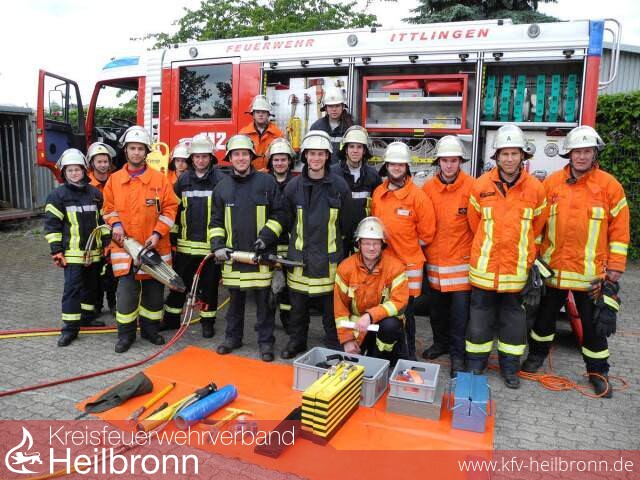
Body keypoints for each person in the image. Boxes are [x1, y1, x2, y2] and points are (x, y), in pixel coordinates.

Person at [522, 126, 629, 397]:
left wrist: (615, 268)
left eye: (587, 151)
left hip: (590, 275)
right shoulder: (551, 184)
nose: (581, 156)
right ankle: (536, 357)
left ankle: (598, 373)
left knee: (593, 328)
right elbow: (537, 226)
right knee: (543, 322)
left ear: (595, 154)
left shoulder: (610, 186)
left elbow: (619, 231)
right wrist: (534, 259)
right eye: (577, 152)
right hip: (553, 271)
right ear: (569, 154)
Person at [465, 124, 548, 389]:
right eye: (504, 153)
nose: (509, 159)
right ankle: (476, 365)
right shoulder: (480, 185)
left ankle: (510, 368)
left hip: (516, 272)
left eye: (514, 153)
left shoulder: (535, 189)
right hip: (484, 270)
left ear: (522, 155)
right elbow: (474, 224)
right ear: (496, 156)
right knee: (479, 323)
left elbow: (537, 228)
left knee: (514, 325)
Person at [209, 134, 285, 362]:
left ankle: (266, 342)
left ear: (251, 157)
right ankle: (233, 338)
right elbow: (215, 222)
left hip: (261, 256)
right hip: (233, 257)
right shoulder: (221, 188)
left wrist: (266, 237)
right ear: (230, 158)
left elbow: (280, 214)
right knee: (234, 303)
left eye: (244, 154)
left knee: (265, 303)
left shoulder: (267, 183)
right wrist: (218, 246)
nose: (241, 158)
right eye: (236, 154)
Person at [102, 126, 179, 353]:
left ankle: (150, 331)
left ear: (146, 152)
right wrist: (115, 224)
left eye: (140, 149)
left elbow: (171, 209)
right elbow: (107, 208)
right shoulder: (114, 180)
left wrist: (157, 233)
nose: (136, 152)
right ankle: (125, 336)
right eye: (132, 148)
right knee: (126, 297)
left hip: (155, 248)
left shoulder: (159, 180)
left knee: (154, 297)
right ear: (125, 150)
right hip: (125, 250)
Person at [280, 130, 355, 359]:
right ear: (305, 156)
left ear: (327, 156)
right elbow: (287, 221)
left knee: (332, 310)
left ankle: (333, 342)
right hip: (300, 261)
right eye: (312, 154)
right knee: (298, 308)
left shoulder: (339, 187)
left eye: (320, 154)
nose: (316, 158)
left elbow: (347, 224)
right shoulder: (293, 187)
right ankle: (297, 341)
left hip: (329, 262)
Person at [371, 141, 436, 360]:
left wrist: (406, 246)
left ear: (407, 167)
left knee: (406, 313)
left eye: (401, 164)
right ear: (386, 166)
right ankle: (386, 353)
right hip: (383, 264)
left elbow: (427, 234)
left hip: (409, 266)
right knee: (384, 310)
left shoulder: (418, 197)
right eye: (393, 164)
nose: (396, 168)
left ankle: (408, 355)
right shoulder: (378, 193)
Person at [162, 133, 225, 337]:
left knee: (209, 287)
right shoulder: (183, 180)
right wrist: (172, 239)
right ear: (191, 159)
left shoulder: (220, 180)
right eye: (197, 157)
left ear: (211, 158)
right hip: (185, 246)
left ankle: (208, 322)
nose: (200, 160)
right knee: (178, 285)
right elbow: (173, 210)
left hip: (210, 247)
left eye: (204, 156)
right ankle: (171, 319)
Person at [421, 136, 474, 377]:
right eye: (445, 160)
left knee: (459, 317)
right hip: (435, 265)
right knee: (437, 312)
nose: (449, 165)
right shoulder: (428, 189)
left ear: (460, 161)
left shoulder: (472, 187)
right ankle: (440, 343)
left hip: (461, 267)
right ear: (438, 162)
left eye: (453, 160)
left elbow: (478, 227)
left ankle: (458, 356)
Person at [44, 148, 104, 347]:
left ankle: (87, 318)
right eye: (69, 170)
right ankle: (70, 329)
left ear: (84, 170)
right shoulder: (57, 196)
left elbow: (103, 222)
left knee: (91, 288)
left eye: (77, 169)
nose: (74, 173)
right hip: (72, 254)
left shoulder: (95, 194)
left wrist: (106, 245)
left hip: (93, 253)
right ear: (64, 172)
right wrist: (56, 250)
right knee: (72, 290)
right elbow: (52, 226)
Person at [334, 217, 409, 364]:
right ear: (359, 244)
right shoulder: (345, 268)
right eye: (367, 243)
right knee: (348, 363)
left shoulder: (396, 267)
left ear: (382, 245)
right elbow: (340, 309)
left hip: (384, 327)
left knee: (391, 326)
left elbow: (399, 302)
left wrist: (370, 315)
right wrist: (347, 339)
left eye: (376, 243)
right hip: (357, 328)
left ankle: (382, 356)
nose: (371, 248)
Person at [331, 125, 381, 253]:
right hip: (338, 235)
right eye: (351, 146)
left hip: (364, 235)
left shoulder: (373, 175)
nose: (355, 151)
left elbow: (379, 206)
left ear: (364, 151)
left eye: (359, 147)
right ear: (345, 149)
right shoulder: (333, 174)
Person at [266, 137, 296, 333]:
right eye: (276, 159)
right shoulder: (264, 182)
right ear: (271, 162)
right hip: (269, 243)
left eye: (283, 159)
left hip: (290, 243)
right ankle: (267, 323)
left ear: (289, 161)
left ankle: (288, 322)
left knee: (288, 288)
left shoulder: (297, 183)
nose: (279, 163)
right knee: (267, 288)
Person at [86, 142, 118, 314]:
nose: (103, 165)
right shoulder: (87, 184)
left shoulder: (116, 180)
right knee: (95, 274)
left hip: (115, 232)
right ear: (92, 163)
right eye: (99, 161)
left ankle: (114, 304)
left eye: (106, 161)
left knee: (114, 273)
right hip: (94, 235)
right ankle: (97, 306)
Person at [309, 86, 354, 164]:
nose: (334, 109)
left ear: (343, 106)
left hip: (343, 170)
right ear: (325, 108)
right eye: (330, 106)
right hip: (322, 169)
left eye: (337, 105)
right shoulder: (316, 127)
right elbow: (310, 153)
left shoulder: (350, 128)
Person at [239, 95, 284, 171]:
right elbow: (240, 157)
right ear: (253, 114)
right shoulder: (243, 134)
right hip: (249, 174)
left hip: (270, 174)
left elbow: (281, 157)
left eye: (263, 112)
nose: (260, 114)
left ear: (268, 115)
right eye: (257, 112)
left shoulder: (277, 134)